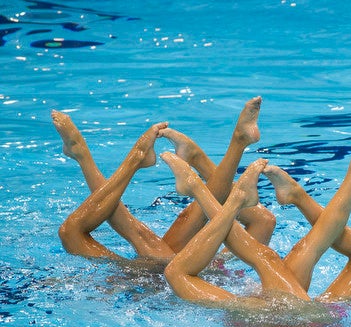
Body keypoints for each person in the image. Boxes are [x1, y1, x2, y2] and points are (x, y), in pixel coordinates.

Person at [160, 127, 351, 309]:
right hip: (306, 324)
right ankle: (345, 178)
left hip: (303, 326)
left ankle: (212, 191)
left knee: (178, 271)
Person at [53, 96, 276, 263]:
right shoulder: (229, 265)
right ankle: (209, 152)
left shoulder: (186, 274)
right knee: (256, 219)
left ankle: (102, 157)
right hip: (197, 272)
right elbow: (263, 221)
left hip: (153, 280)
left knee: (81, 233)